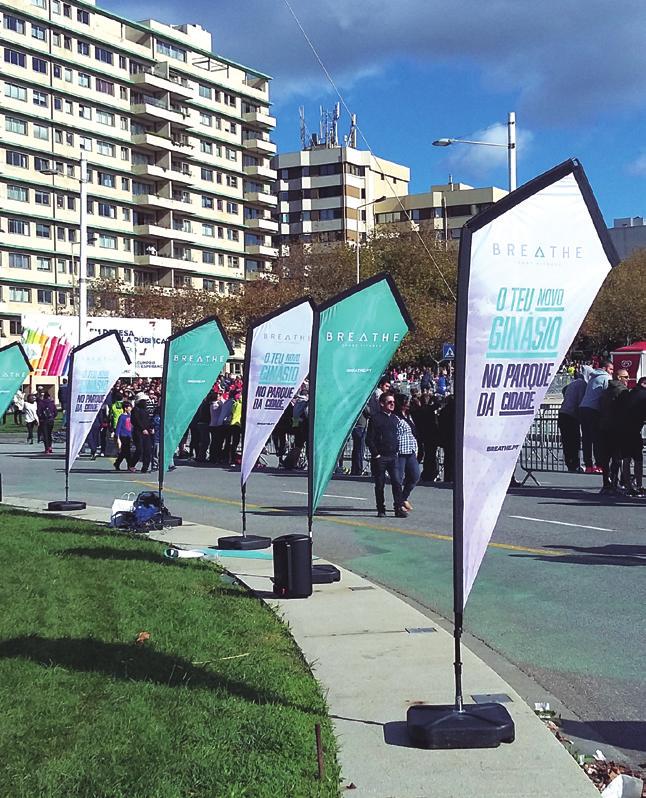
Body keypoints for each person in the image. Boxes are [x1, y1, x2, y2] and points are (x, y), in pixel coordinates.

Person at [366, 392, 407, 518]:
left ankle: (398, 508)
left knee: (397, 482)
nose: (392, 404)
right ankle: (381, 508)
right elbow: (369, 439)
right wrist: (376, 454)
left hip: (393, 456)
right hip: (380, 457)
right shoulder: (375, 418)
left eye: (393, 402)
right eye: (389, 402)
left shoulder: (395, 419)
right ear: (382, 403)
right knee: (380, 484)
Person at [579, 359, 613, 474]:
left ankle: (588, 465)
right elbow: (608, 394)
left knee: (587, 439)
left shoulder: (592, 377)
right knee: (597, 439)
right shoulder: (606, 378)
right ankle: (599, 464)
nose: (612, 372)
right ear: (604, 368)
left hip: (584, 408)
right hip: (594, 410)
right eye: (610, 369)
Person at [598, 368, 629, 493]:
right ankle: (614, 483)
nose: (628, 379)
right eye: (625, 377)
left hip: (604, 426)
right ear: (619, 378)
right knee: (617, 457)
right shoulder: (622, 391)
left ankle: (606, 483)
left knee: (606, 457)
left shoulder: (606, 391)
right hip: (617, 427)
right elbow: (626, 409)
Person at [394, 393, 420, 512]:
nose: (407, 404)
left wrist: (417, 448)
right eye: (405, 402)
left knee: (415, 476)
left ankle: (403, 498)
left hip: (410, 450)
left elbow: (413, 433)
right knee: (398, 479)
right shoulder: (395, 417)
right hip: (399, 452)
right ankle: (398, 504)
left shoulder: (409, 416)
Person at [557, 374, 586, 472]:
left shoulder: (573, 383)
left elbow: (564, 390)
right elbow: (581, 401)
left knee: (567, 441)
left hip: (564, 413)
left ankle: (570, 464)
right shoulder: (582, 384)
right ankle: (574, 464)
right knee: (574, 441)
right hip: (571, 415)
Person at [131, 393, 154, 473]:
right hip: (138, 432)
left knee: (147, 450)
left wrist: (151, 427)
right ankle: (132, 464)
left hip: (147, 432)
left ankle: (145, 467)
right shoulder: (135, 410)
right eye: (143, 401)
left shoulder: (145, 410)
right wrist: (142, 429)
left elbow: (148, 420)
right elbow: (136, 421)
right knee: (139, 449)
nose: (145, 402)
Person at [113, 400, 134, 471]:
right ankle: (130, 465)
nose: (130, 408)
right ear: (125, 408)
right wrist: (117, 435)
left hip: (129, 435)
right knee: (127, 451)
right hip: (123, 435)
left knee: (124, 452)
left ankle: (117, 463)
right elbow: (118, 426)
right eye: (129, 407)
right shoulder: (122, 417)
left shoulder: (130, 416)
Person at [351, 404, 370, 476]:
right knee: (360, 449)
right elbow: (368, 412)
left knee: (356, 449)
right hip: (361, 427)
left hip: (356, 427)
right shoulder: (363, 401)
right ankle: (359, 469)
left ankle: (354, 469)